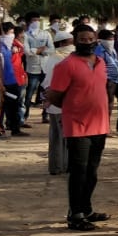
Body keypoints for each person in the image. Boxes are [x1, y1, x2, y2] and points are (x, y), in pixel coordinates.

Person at [46, 24, 110, 231]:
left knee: (92, 171)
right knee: (78, 171)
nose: (88, 42)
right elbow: (54, 96)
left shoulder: (100, 63)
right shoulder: (65, 66)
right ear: (75, 40)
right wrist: (74, 108)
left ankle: (87, 209)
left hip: (100, 125)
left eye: (91, 38)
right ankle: (75, 214)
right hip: (77, 126)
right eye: (83, 39)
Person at [41, 31, 74, 174]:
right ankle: (61, 166)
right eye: (70, 42)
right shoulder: (58, 58)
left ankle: (61, 166)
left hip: (63, 102)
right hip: (64, 102)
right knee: (63, 137)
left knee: (62, 136)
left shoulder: (59, 58)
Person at [0, 22, 26, 139]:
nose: (13, 35)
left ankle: (15, 129)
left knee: (14, 106)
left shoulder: (8, 46)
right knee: (1, 107)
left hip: (13, 80)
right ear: (4, 33)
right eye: (11, 33)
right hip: (3, 82)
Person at [23, 11, 54, 124]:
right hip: (32, 68)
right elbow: (26, 51)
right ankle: (24, 116)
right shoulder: (25, 35)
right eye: (33, 20)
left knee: (45, 93)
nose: (36, 22)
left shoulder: (45, 34)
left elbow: (51, 49)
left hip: (45, 67)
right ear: (28, 22)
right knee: (29, 93)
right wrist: (40, 49)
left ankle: (45, 115)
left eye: (37, 20)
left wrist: (37, 51)